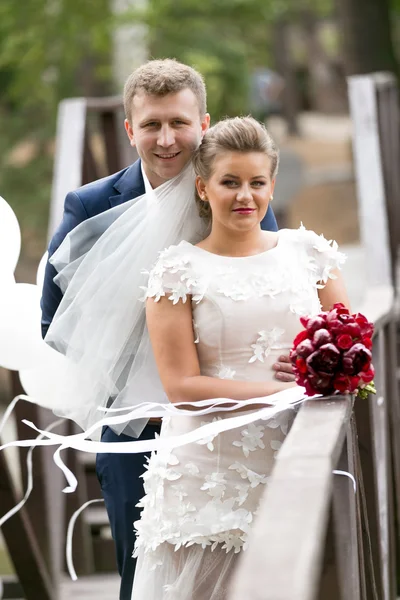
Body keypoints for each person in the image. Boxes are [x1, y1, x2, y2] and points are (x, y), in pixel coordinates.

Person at [40, 59, 292, 600]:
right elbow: (54, 319)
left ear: (203, 122)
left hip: (233, 420)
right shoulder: (89, 206)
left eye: (179, 122)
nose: (166, 137)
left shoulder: (240, 193)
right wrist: (137, 370)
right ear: (130, 130)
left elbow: (275, 285)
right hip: (139, 428)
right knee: (147, 581)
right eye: (151, 124)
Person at [129, 116, 350, 599]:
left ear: (272, 185)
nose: (244, 196)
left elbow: (351, 346)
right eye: (230, 182)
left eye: (257, 182)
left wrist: (326, 367)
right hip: (210, 473)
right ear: (203, 188)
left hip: (302, 453)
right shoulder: (176, 271)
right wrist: (284, 392)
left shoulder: (309, 253)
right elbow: (182, 389)